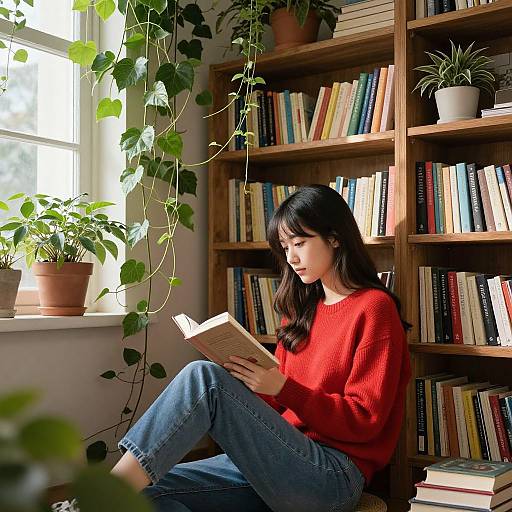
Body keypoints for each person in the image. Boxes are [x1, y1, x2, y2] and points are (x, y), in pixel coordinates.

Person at [52, 184, 411, 512]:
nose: (291, 257)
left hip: (331, 477)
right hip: (274, 460)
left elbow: (365, 421)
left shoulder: (374, 309)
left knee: (202, 377)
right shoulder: (301, 312)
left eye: (299, 243)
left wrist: (282, 388)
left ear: (334, 238)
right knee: (145, 494)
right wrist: (240, 378)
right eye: (284, 248)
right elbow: (275, 407)